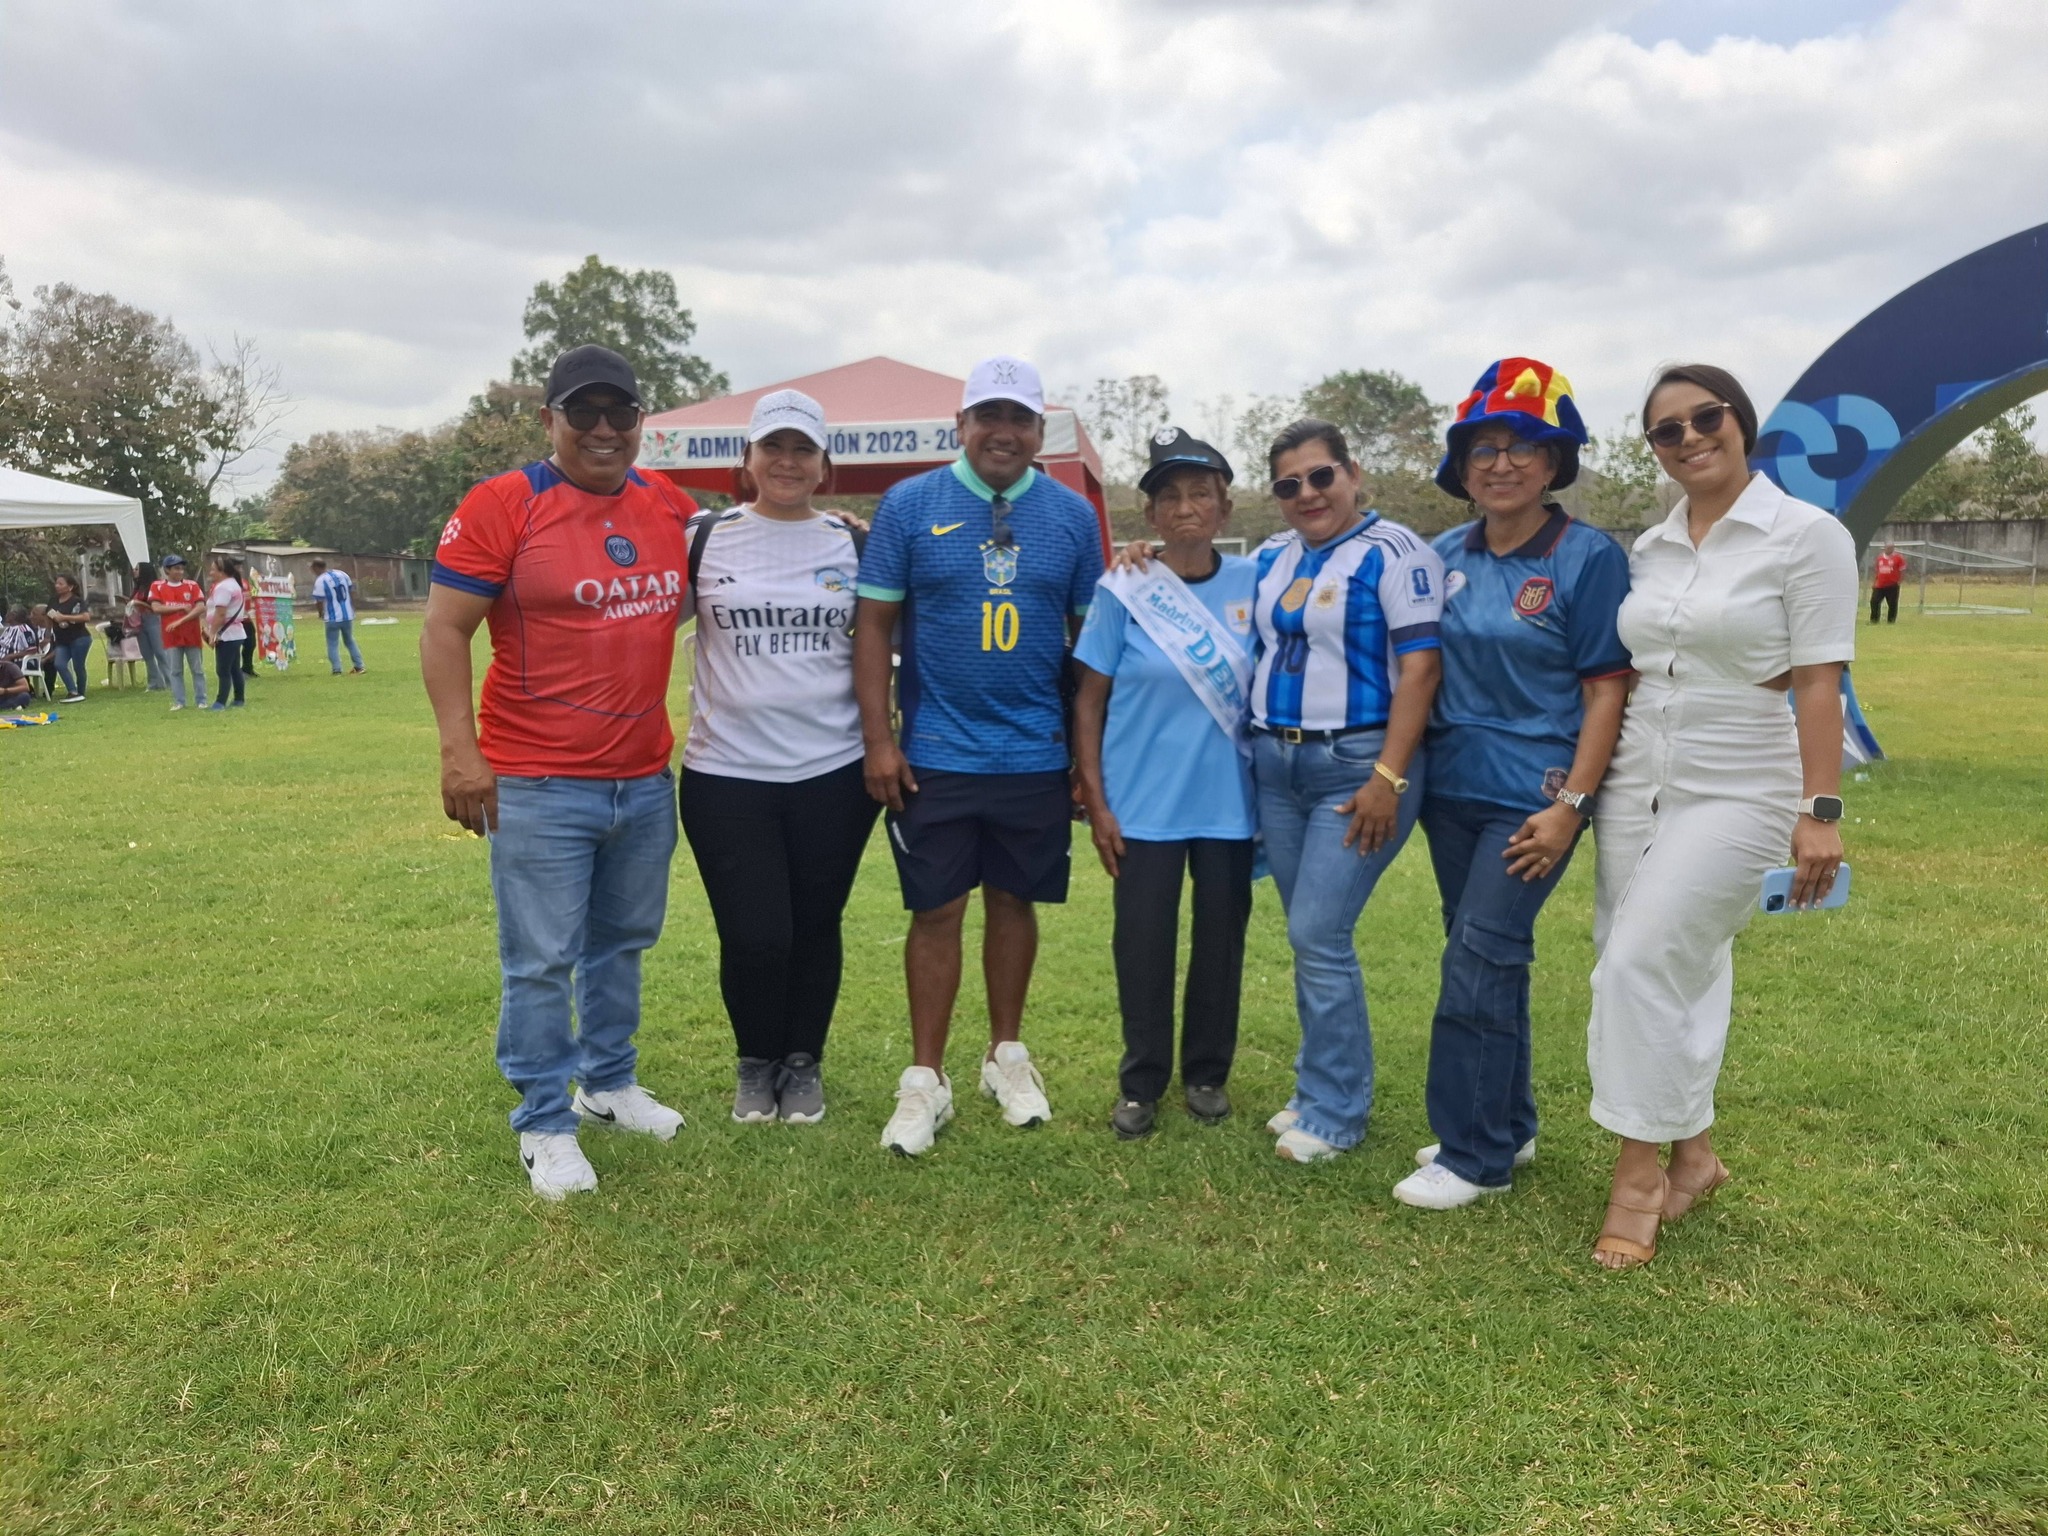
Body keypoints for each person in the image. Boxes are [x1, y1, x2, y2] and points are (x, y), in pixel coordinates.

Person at [1586, 364, 1857, 1269]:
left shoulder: (1805, 535)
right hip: (1639, 776)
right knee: (1659, 960)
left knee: (1640, 959)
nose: (1690, 437)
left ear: (1740, 420)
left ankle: (1638, 1179)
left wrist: (1820, 810)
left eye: (1706, 417)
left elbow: (1818, 680)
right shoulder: (1651, 546)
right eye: (1667, 430)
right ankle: (1695, 1157)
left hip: (1743, 782)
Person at [421, 344, 698, 1202]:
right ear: (550, 420)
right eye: (584, 412)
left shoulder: (669, 504)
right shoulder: (504, 504)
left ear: (641, 421)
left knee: (622, 942)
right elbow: (444, 629)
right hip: (537, 782)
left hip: (643, 778)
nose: (604, 429)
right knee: (541, 960)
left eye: (621, 413)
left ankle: (608, 1083)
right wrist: (460, 751)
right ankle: (544, 1121)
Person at [1391, 360, 1631, 1210]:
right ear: (1461, 467)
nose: (1501, 464)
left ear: (1554, 461)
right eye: (1483, 449)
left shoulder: (1588, 557)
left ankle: (1474, 1156)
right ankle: (1509, 1123)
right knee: (1486, 957)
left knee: (1477, 963)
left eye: (1523, 447)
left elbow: (1608, 692)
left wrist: (1570, 808)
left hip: (1534, 801)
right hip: (1451, 794)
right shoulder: (1440, 555)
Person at [854, 355, 1106, 1156]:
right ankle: (925, 1077)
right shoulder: (910, 503)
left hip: (1034, 752)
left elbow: (1093, 646)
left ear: (1039, 430)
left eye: (1019, 418)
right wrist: (879, 739)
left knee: (1014, 901)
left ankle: (1005, 1056)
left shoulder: (1071, 517)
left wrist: (1086, 758)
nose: (1004, 432)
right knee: (936, 910)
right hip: (936, 751)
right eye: (988, 416)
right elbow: (873, 627)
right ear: (960, 425)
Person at [677, 389, 878, 1126]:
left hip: (834, 770)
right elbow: (637, 623)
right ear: (748, 459)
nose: (787, 462)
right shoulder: (703, 538)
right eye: (773, 447)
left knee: (817, 924)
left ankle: (802, 1061)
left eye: (802, 449)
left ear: (824, 465)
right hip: (725, 774)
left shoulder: (854, 544)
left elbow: (888, 639)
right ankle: (755, 1060)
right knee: (754, 934)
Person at [1251, 420, 1444, 1164]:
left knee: (1318, 934)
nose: (1307, 493)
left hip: (1356, 766)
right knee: (1307, 934)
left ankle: (1336, 1112)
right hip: (1278, 767)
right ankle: (1314, 1087)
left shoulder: (1395, 552)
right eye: (1288, 484)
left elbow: (1421, 670)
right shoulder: (1272, 555)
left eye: (1320, 476)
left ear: (1352, 473)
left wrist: (1387, 778)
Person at [1073, 429, 1256, 1140]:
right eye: (1170, 497)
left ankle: (1207, 1073)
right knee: (1142, 945)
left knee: (1220, 946)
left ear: (1224, 508)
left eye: (1200, 494)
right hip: (1141, 806)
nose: (1185, 508)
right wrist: (1095, 801)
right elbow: (1088, 701)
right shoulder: (1124, 587)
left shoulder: (1259, 582)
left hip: (1229, 805)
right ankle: (1140, 1081)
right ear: (1149, 514)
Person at [149, 555, 209, 711]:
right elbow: (156, 608)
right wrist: (180, 607)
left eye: (182, 568)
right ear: (167, 570)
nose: (180, 571)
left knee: (197, 669)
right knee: (175, 671)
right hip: (171, 636)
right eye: (176, 568)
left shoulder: (192, 586)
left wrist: (180, 621)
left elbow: (200, 607)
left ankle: (201, 700)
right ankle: (179, 701)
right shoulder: (157, 586)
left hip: (191, 634)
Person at [204, 555, 249, 709]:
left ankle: (220, 702)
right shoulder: (233, 584)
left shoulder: (223, 588)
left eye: (213, 570)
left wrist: (212, 633)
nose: (211, 573)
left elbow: (220, 613)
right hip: (235, 633)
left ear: (222, 571)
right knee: (234, 668)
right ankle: (238, 699)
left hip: (226, 634)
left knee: (223, 670)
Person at [310, 559, 365, 673]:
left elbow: (319, 600)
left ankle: (337, 669)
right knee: (349, 641)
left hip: (332, 617)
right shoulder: (342, 574)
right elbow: (351, 591)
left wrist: (320, 613)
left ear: (316, 568)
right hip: (347, 616)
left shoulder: (321, 580)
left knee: (332, 643)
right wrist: (352, 607)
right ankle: (359, 666)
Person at [47, 574, 93, 703]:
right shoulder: (53, 600)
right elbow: (48, 615)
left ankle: (81, 692)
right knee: (59, 664)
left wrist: (65, 617)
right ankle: (72, 691)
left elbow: (86, 617)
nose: (57, 586)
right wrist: (48, 633)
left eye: (61, 584)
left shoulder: (77, 601)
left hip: (79, 638)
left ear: (70, 587)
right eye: (56, 583)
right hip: (62, 640)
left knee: (78, 666)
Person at [129, 563, 171, 690]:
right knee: (146, 654)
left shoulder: (155, 587)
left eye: (137, 569)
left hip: (153, 619)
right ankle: (154, 682)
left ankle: (169, 681)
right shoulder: (138, 587)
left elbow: (156, 607)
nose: (134, 571)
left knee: (160, 652)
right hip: (139, 621)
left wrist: (139, 603)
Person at [1870, 540, 1906, 624]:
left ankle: (1891, 620)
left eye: (1891, 548)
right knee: (1874, 601)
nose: (1889, 549)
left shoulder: (1898, 558)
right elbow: (1877, 571)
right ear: (1884, 548)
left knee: (1892, 603)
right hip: (1880, 585)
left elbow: (1902, 570)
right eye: (1888, 547)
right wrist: (1874, 582)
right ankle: (1874, 620)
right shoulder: (1880, 558)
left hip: (1892, 585)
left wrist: (1899, 581)